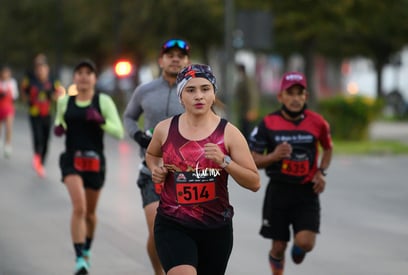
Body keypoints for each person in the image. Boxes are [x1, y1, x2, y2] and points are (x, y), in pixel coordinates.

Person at [145, 64, 261, 275]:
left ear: (214, 94)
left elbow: (254, 182)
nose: (199, 96)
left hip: (216, 228)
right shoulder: (165, 129)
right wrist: (157, 168)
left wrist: (225, 161)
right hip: (173, 223)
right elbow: (152, 154)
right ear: (181, 96)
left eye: (205, 89)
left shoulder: (228, 133)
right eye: (191, 90)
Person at [248, 71, 333, 275]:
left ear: (306, 96)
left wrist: (321, 172)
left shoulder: (317, 122)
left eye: (299, 93)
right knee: (278, 247)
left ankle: (299, 248)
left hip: (306, 191)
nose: (295, 99)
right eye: (290, 93)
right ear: (281, 97)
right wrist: (274, 156)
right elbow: (253, 159)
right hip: (279, 191)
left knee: (305, 243)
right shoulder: (267, 124)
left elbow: (328, 148)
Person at [123, 38, 191, 275]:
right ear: (161, 60)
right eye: (170, 55)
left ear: (187, 61)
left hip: (185, 175)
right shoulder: (145, 90)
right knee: (156, 229)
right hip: (151, 172)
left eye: (180, 56)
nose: (175, 59)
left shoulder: (195, 91)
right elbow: (129, 117)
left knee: (184, 231)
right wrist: (139, 136)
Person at [54, 59, 124, 275]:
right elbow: (60, 122)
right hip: (72, 160)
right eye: (79, 72)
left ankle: (86, 250)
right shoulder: (65, 102)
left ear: (94, 78)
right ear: (74, 78)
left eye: (88, 73)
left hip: (95, 162)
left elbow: (119, 132)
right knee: (80, 208)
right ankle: (79, 259)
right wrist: (59, 128)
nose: (83, 76)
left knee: (91, 214)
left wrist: (101, 121)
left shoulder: (102, 101)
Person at [20, 54, 62, 177]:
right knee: (37, 137)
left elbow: (59, 94)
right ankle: (37, 159)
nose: (40, 71)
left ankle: (41, 160)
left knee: (46, 139)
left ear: (47, 68)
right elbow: (23, 91)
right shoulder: (30, 79)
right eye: (38, 68)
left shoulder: (53, 80)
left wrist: (52, 96)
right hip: (34, 113)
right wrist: (28, 100)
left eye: (42, 67)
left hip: (47, 113)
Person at [234, 63, 259, 138]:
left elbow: (252, 95)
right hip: (243, 109)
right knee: (244, 129)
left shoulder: (247, 80)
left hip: (248, 110)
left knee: (248, 131)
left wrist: (252, 109)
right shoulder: (242, 79)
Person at [0, 65, 19, 158]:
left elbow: (15, 96)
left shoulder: (12, 83)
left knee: (8, 127)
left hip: (8, 107)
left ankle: (7, 145)